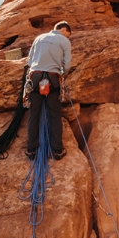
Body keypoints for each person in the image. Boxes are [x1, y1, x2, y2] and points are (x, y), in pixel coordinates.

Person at [25, 21, 72, 160]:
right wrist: (62, 72)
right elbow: (67, 64)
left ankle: (31, 150)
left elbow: (29, 62)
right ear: (64, 30)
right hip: (52, 79)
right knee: (55, 115)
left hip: (35, 77)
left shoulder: (39, 38)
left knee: (34, 114)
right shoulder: (64, 41)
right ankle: (57, 150)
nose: (68, 37)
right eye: (68, 34)